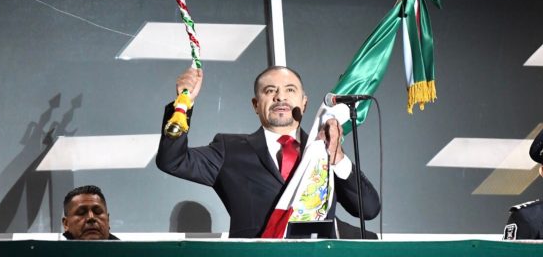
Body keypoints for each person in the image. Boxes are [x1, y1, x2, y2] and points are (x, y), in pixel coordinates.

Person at [156, 66, 381, 238]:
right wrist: (183, 104)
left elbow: (369, 209)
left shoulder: (323, 150)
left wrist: (338, 158)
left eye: (290, 90)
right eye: (270, 90)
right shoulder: (230, 149)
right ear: (256, 104)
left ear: (304, 103)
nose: (280, 97)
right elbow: (173, 161)